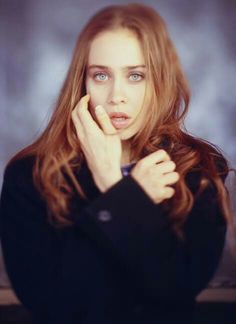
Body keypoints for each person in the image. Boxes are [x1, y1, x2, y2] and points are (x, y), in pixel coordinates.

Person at [0, 3, 233, 324]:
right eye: (101, 75)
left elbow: (177, 286)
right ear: (82, 83)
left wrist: (114, 183)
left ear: (160, 82)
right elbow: (49, 300)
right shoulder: (28, 175)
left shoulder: (200, 170)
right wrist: (124, 197)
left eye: (136, 76)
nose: (116, 95)